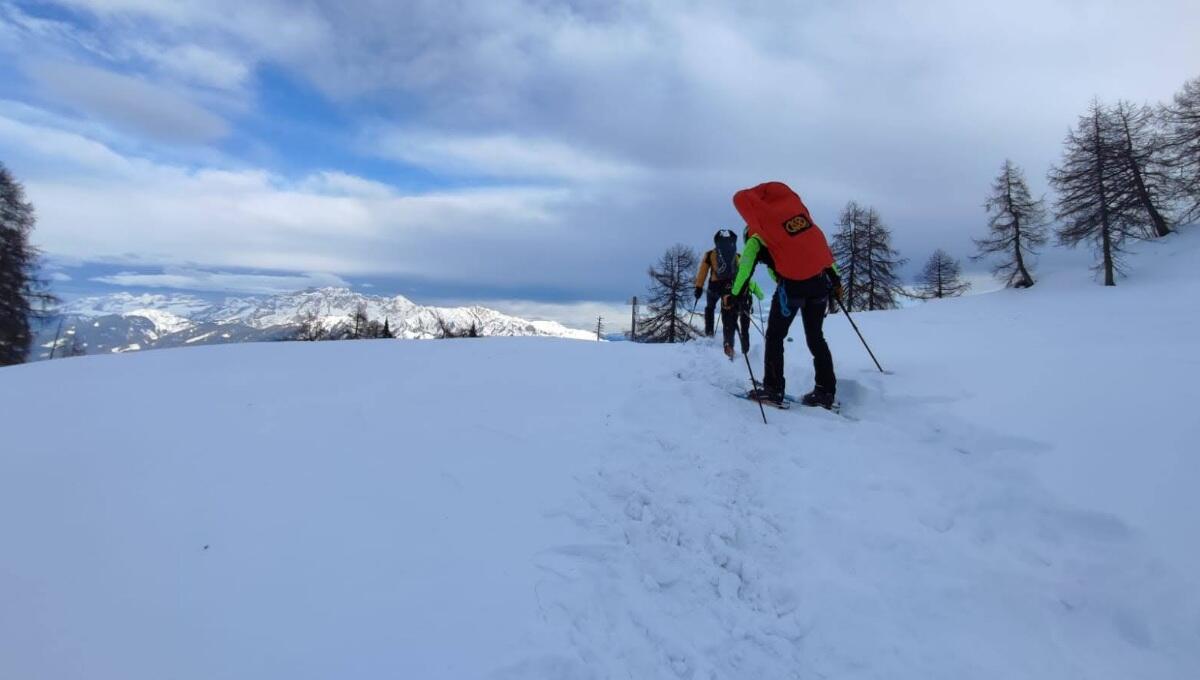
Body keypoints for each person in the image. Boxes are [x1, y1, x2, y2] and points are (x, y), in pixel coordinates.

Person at [728, 181, 842, 409]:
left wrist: (735, 295)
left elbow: (745, 270)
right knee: (816, 337)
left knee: (774, 337)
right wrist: (836, 281)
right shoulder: (797, 226)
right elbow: (822, 255)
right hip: (819, 283)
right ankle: (825, 391)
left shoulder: (757, 237)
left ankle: (773, 389)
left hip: (791, 289)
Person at [694, 229, 764, 359]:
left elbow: (703, 271)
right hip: (730, 287)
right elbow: (744, 275)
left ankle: (710, 334)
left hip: (714, 287)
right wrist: (756, 291)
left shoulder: (710, 254)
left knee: (710, 307)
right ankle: (733, 341)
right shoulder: (737, 256)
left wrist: (698, 287)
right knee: (728, 313)